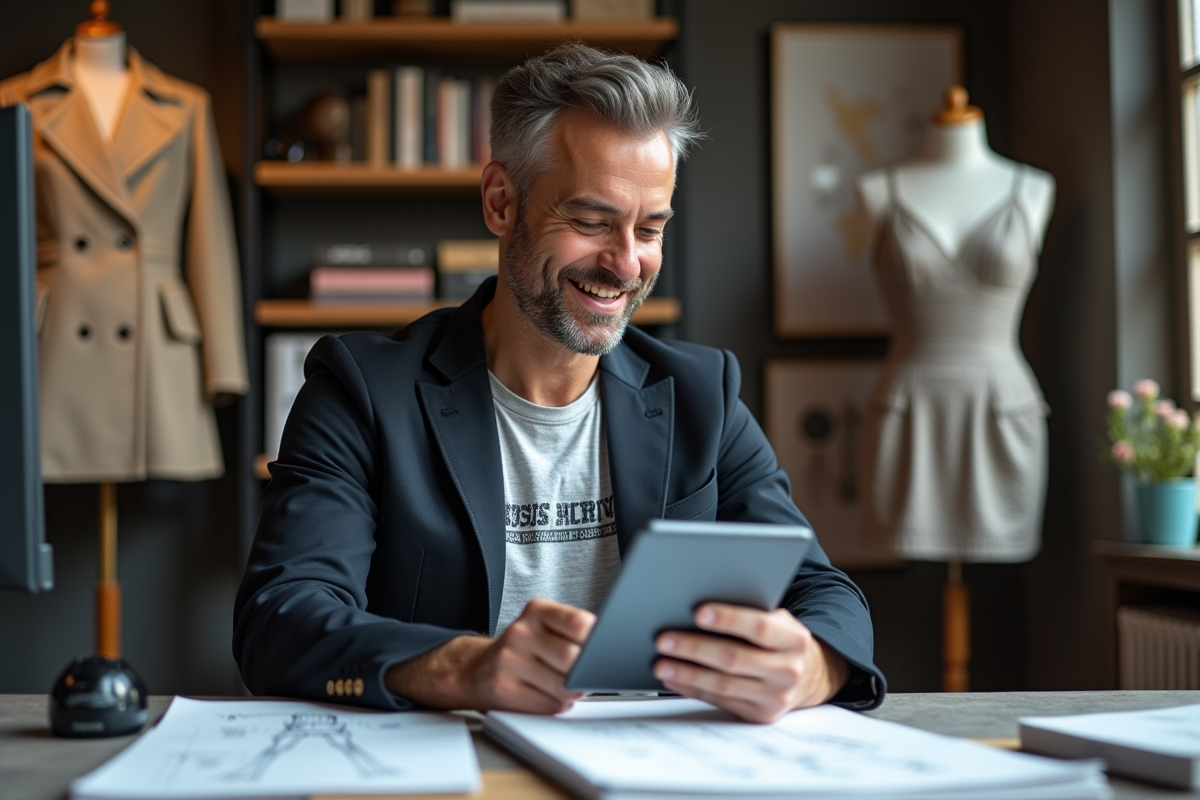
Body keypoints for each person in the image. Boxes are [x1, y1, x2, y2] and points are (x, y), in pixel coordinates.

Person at [234, 44, 885, 723]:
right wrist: (468, 665)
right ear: (500, 202)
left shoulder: (702, 394)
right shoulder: (362, 390)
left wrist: (807, 666)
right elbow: (280, 619)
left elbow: (827, 597)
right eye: (591, 222)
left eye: (650, 229)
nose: (625, 264)